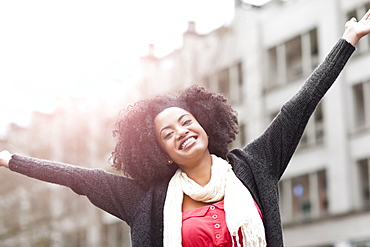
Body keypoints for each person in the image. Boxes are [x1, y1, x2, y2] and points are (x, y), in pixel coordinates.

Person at [1, 11, 370, 247]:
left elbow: (299, 107)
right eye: (167, 133)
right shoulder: (145, 201)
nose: (180, 131)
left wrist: (347, 41)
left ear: (205, 124)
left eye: (185, 121)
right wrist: (8, 158)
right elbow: (76, 177)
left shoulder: (255, 166)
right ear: (159, 150)